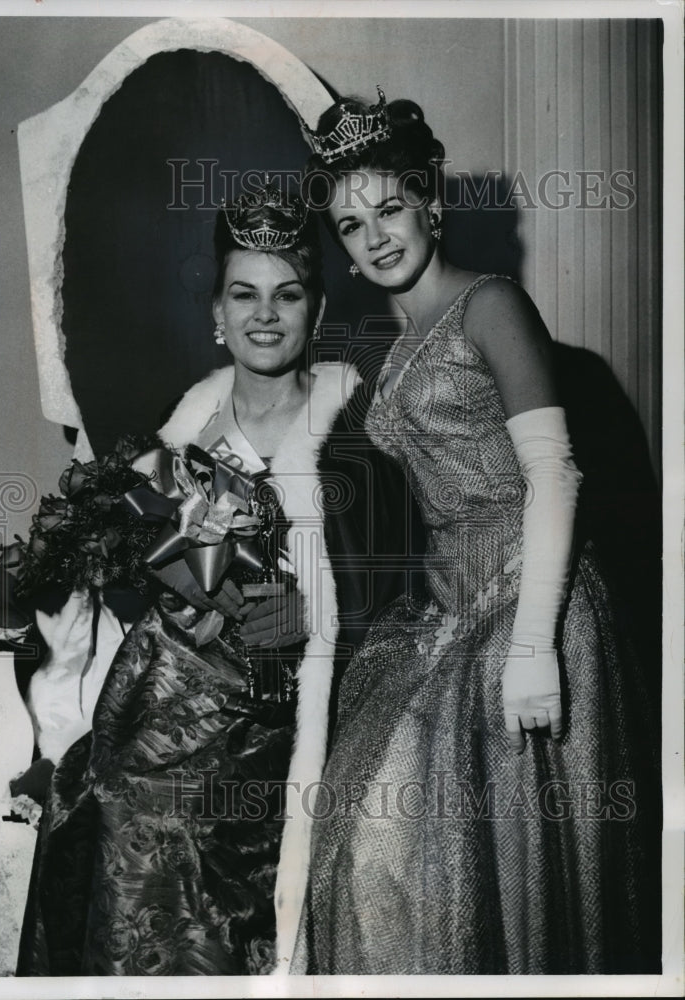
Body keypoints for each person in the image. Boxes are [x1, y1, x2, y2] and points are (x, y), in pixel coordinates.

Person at [283, 91, 660, 975]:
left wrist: (534, 645)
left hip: (531, 604)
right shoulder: (394, 341)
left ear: (430, 202)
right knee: (368, 843)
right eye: (349, 225)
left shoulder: (492, 303)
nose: (373, 237)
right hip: (447, 606)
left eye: (388, 209)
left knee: (468, 862)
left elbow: (556, 475)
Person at [13, 180, 399, 976]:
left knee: (221, 862)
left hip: (290, 708)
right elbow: (148, 568)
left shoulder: (359, 423)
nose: (265, 315)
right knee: (110, 809)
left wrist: (316, 618)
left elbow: (396, 590)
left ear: (317, 313)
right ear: (216, 317)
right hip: (168, 688)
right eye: (243, 295)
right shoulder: (182, 425)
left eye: (287, 295)